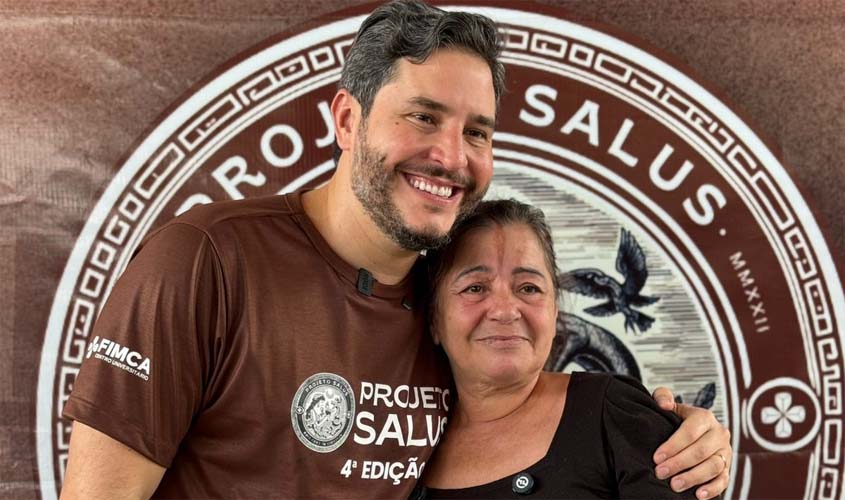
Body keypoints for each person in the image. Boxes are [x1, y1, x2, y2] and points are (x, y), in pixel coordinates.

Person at [60, 1, 731, 499]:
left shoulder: (452, 304)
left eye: (477, 131)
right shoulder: (205, 260)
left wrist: (685, 438)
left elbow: (541, 426)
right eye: (423, 117)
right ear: (347, 119)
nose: (451, 157)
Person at [417, 199, 723, 498]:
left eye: (528, 288)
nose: (505, 310)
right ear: (434, 318)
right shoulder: (402, 445)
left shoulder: (614, 414)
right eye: (475, 288)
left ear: (554, 313)